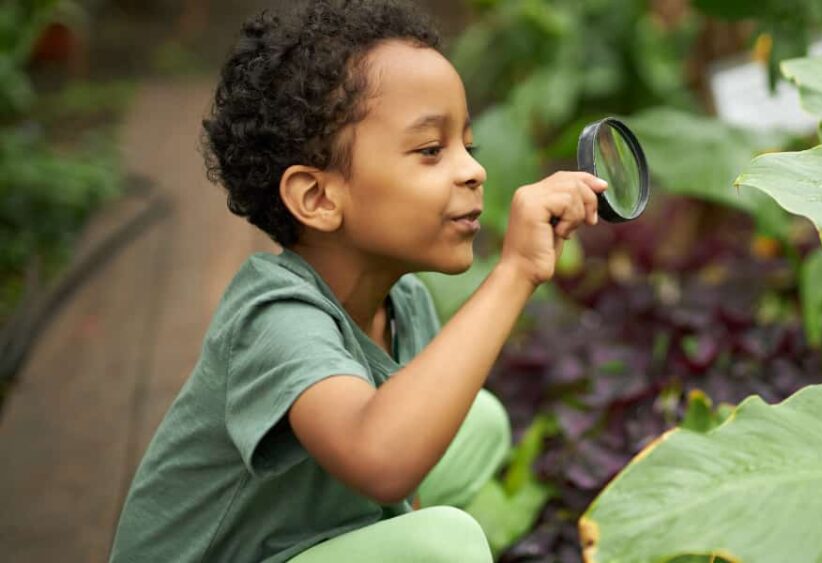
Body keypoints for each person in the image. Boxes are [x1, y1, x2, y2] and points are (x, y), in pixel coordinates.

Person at [108, 1, 606, 561]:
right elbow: (382, 459)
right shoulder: (273, 319)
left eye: (470, 146)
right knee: (448, 544)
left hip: (296, 539)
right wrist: (515, 271)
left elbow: (403, 489)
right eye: (430, 150)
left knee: (480, 423)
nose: (473, 169)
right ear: (318, 197)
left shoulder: (404, 302)